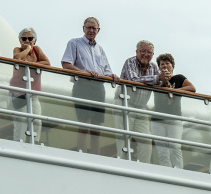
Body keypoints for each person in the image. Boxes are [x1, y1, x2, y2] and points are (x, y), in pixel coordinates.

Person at [61, 17, 118, 155]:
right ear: (83, 28)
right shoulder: (74, 43)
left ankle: (95, 156)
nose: (91, 30)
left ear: (98, 30)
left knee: (96, 126)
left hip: (98, 88)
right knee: (84, 124)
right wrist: (85, 73)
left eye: (94, 28)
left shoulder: (100, 49)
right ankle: (82, 155)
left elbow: (106, 70)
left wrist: (112, 76)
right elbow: (66, 64)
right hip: (82, 85)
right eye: (89, 27)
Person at [118, 40, 160, 163]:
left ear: (153, 55)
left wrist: (166, 79)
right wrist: (157, 79)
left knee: (146, 140)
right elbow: (133, 79)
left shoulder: (154, 66)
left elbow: (161, 82)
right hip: (124, 104)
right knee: (123, 136)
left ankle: (144, 166)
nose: (145, 54)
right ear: (136, 52)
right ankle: (119, 164)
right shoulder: (130, 62)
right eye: (142, 51)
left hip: (141, 108)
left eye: (149, 52)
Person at [152, 53, 195, 169]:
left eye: (167, 63)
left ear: (172, 66)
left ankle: (178, 172)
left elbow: (192, 88)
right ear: (159, 67)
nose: (165, 66)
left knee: (175, 146)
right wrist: (163, 82)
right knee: (162, 151)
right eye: (162, 64)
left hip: (174, 119)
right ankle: (166, 172)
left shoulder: (179, 78)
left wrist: (176, 91)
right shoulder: (156, 79)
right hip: (157, 119)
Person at [9, 27, 50, 143]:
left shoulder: (37, 50)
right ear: (20, 40)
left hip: (33, 93)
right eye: (24, 38)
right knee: (20, 121)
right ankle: (18, 143)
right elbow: (17, 59)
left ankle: (35, 144)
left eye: (30, 38)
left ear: (35, 40)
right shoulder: (17, 49)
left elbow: (47, 63)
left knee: (37, 121)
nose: (27, 41)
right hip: (17, 92)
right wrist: (27, 49)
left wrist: (29, 63)